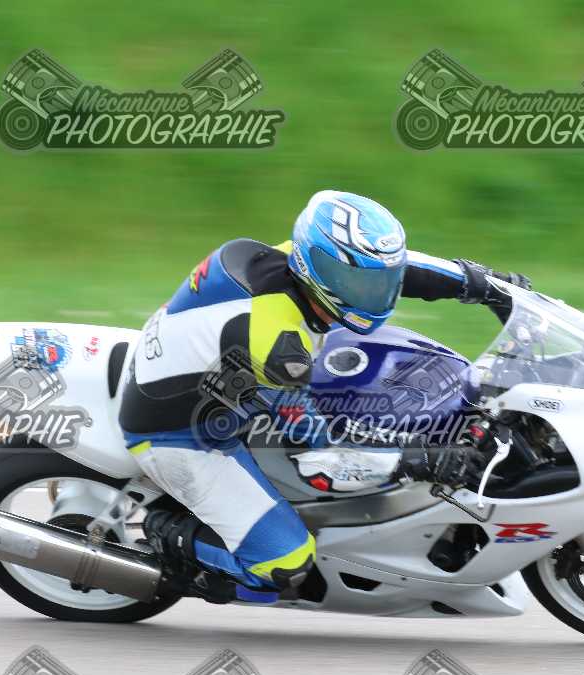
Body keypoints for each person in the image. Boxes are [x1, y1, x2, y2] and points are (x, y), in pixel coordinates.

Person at [118, 190, 530, 601]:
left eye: (377, 282)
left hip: (212, 374)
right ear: (314, 266)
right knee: (285, 566)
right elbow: (320, 455)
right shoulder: (278, 344)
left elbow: (402, 268)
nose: (374, 294)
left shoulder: (299, 264)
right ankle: (169, 537)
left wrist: (489, 285)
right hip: (182, 435)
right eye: (357, 283)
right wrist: (419, 460)